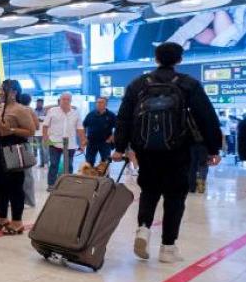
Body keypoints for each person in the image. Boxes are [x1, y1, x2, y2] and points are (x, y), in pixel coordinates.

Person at [113, 42, 222, 263]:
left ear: (156, 59)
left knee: (149, 190)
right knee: (175, 196)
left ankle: (143, 229)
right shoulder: (187, 84)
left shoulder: (138, 84)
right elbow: (206, 117)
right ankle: (168, 248)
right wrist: (213, 148)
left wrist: (119, 147)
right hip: (178, 149)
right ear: (179, 60)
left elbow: (124, 117)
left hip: (146, 149)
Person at [0, 81, 37, 234]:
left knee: (15, 185)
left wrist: (12, 129)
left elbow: (31, 131)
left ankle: (17, 221)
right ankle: (2, 218)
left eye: (3, 90)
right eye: (0, 89)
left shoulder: (21, 109)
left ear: (14, 92)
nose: (0, 92)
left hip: (13, 146)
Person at [43, 92, 84, 189]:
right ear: (59, 100)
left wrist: (83, 142)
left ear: (70, 101)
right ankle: (51, 184)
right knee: (53, 164)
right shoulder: (52, 111)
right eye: (63, 99)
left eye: (67, 99)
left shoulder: (76, 113)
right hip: (54, 143)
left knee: (69, 165)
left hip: (70, 144)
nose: (65, 101)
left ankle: (68, 184)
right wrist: (46, 139)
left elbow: (80, 129)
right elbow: (45, 126)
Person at [82, 96, 116, 167]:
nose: (98, 104)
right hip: (91, 142)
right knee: (89, 162)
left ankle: (105, 178)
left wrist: (110, 139)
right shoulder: (90, 114)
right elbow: (83, 126)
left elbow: (118, 128)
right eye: (97, 102)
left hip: (105, 143)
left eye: (101, 102)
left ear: (106, 104)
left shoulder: (111, 115)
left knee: (105, 162)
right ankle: (90, 178)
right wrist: (84, 139)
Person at [33, 98, 48, 167]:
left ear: (42, 103)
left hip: (44, 133)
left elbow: (47, 121)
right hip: (36, 133)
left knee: (45, 149)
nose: (38, 104)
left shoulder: (46, 111)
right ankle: (41, 163)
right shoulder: (33, 111)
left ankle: (46, 163)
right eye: (37, 103)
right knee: (39, 149)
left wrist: (40, 119)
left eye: (40, 103)